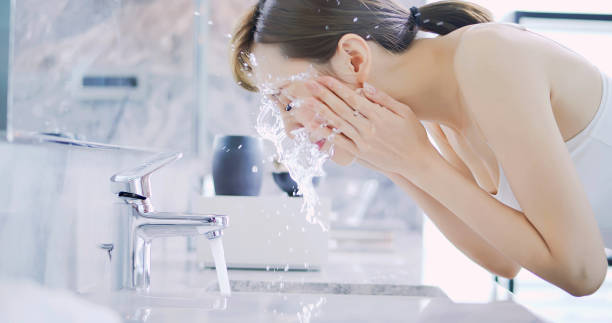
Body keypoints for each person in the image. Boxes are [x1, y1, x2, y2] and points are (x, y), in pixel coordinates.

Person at [229, 0, 611, 296]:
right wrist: (394, 160)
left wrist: (418, 161)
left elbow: (582, 273)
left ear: (354, 58)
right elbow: (504, 259)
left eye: (287, 101)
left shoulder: (490, 59)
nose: (290, 127)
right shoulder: (441, 114)